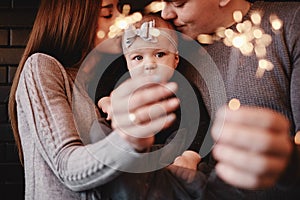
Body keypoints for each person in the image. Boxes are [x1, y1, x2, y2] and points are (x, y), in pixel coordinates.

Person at [8, 0, 180, 199]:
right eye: (108, 14)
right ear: (76, 20)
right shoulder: (41, 67)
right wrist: (129, 140)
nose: (121, 20)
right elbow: (68, 168)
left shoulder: (95, 80)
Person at [160, 0, 300, 199]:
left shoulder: (291, 24)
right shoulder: (174, 52)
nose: (165, 14)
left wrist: (290, 163)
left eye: (178, 3)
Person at [97, 14, 210, 171]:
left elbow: (200, 125)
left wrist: (190, 156)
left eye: (159, 54)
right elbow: (99, 90)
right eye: (138, 57)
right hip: (130, 151)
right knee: (100, 128)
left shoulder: (183, 89)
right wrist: (106, 103)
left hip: (168, 153)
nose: (149, 64)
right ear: (127, 64)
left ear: (175, 59)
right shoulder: (123, 86)